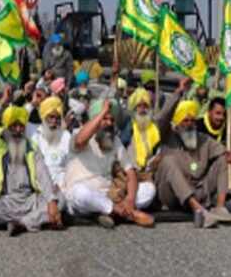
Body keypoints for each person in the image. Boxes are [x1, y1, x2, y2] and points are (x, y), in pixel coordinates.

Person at [154, 80, 231, 228]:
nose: (189, 125)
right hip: (172, 196)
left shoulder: (203, 139)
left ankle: (219, 208)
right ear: (177, 124)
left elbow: (229, 155)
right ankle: (199, 211)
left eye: (193, 121)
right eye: (185, 121)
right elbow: (162, 118)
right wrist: (178, 92)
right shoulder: (169, 137)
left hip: (200, 191)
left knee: (223, 158)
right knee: (168, 161)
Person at [60, 99, 155, 229]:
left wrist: (130, 199)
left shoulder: (115, 140)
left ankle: (109, 211)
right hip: (84, 198)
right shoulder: (79, 134)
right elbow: (80, 140)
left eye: (111, 120)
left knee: (149, 190)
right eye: (104, 119)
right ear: (95, 119)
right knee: (81, 193)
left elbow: (131, 172)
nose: (109, 123)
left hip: (109, 196)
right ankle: (125, 212)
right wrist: (104, 110)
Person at [0, 105, 62, 235]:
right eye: (14, 126)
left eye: (21, 127)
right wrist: (2, 103)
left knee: (60, 200)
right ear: (6, 127)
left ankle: (22, 223)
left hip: (30, 200)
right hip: (7, 201)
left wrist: (51, 201)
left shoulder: (31, 148)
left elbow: (43, 174)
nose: (18, 131)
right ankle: (36, 220)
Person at [123, 88, 160, 201]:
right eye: (139, 106)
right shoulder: (127, 128)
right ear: (134, 108)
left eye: (146, 106)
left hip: (151, 174)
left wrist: (158, 158)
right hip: (131, 174)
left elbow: (159, 150)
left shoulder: (155, 128)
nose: (143, 109)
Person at [29, 96, 73, 187]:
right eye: (51, 117)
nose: (54, 121)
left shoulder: (66, 136)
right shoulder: (35, 136)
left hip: (62, 187)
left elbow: (71, 167)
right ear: (44, 117)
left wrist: (62, 185)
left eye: (58, 118)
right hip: (38, 188)